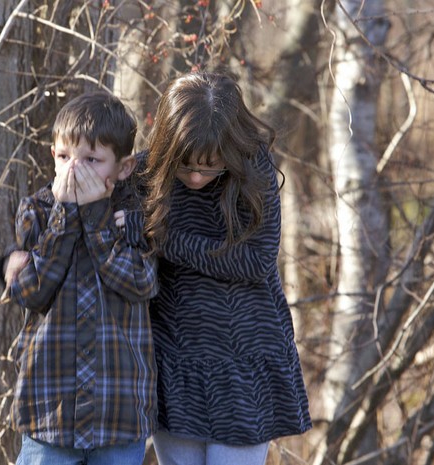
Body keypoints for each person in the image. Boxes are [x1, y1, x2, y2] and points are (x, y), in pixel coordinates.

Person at [142, 71, 312, 465]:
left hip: (245, 361)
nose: (198, 176)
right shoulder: (145, 175)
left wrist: (166, 241)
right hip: (175, 361)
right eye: (186, 167)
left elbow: (255, 259)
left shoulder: (255, 171)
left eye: (210, 166)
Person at [0, 91, 158, 465]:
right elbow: (30, 291)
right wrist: (65, 217)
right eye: (66, 157)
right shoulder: (36, 212)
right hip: (50, 412)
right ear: (53, 156)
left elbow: (141, 282)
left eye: (92, 160)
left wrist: (99, 219)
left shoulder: (134, 218)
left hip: (117, 414)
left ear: (124, 167)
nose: (75, 170)